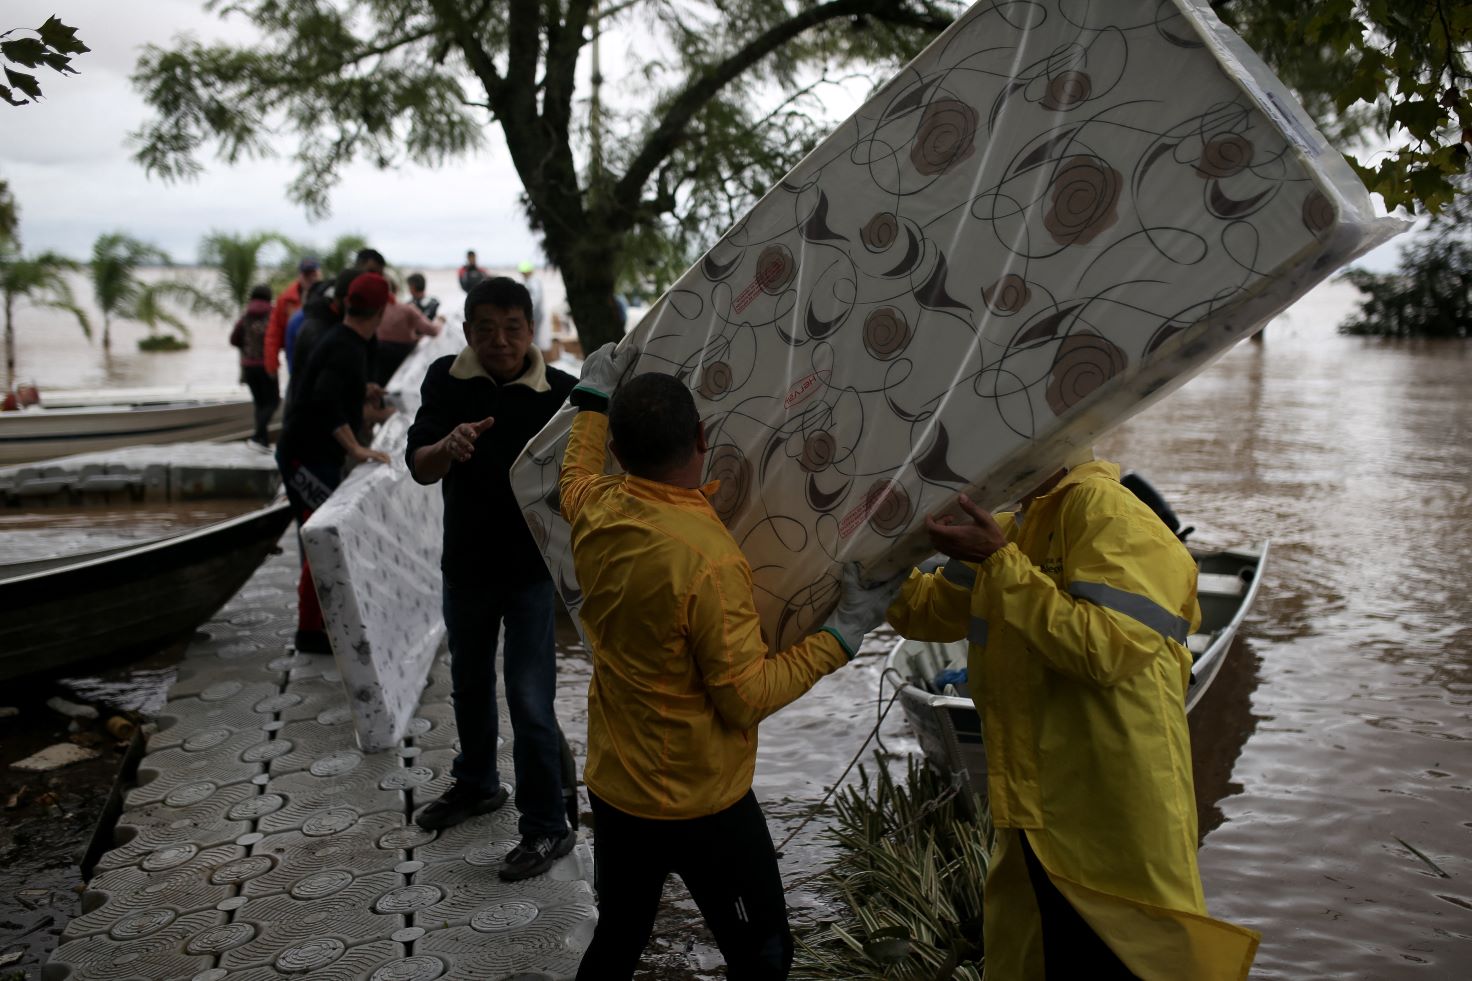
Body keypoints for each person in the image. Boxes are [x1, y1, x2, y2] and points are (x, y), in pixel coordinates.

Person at [559, 346, 904, 979]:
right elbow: (745, 697)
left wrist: (591, 398)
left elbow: (572, 475)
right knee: (763, 953)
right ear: (702, 437)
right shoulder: (709, 560)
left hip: (615, 788)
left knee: (620, 936)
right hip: (701, 803)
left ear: (622, 449)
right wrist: (845, 633)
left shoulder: (595, 511)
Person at [886, 454, 1261, 980]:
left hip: (1108, 812)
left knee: (1125, 958)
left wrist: (998, 562)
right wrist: (869, 567)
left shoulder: (1111, 513)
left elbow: (1105, 649)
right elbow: (932, 610)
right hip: (1037, 807)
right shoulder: (1017, 525)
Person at [404, 276, 577, 881]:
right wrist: (445, 448)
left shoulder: (562, 392)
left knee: (530, 699)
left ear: (531, 331)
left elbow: (586, 479)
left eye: (513, 328)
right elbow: (420, 467)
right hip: (467, 567)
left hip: (531, 574)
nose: (500, 341)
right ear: (467, 330)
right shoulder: (445, 382)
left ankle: (546, 825)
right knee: (469, 685)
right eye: (486, 328)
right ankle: (477, 784)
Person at [275, 272, 397, 655]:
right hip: (304, 456)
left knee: (324, 536)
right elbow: (324, 400)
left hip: (315, 454)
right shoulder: (345, 346)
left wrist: (361, 389)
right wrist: (356, 448)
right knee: (323, 538)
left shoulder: (349, 341)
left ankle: (323, 622)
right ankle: (310, 632)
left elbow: (330, 385)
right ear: (379, 311)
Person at [229, 283, 278, 451]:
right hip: (267, 365)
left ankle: (262, 440)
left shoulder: (245, 315)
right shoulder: (273, 314)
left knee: (259, 403)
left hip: (248, 367)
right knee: (273, 401)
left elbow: (233, 339)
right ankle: (258, 436)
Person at [373, 278, 444, 386]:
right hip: (403, 358)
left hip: (378, 358)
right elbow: (433, 331)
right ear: (396, 290)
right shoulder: (407, 309)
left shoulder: (373, 310)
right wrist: (440, 321)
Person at [264, 256, 320, 379]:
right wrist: (272, 365)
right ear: (300, 276)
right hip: (296, 363)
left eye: (313, 274)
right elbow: (274, 333)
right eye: (306, 275)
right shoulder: (285, 300)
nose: (311, 279)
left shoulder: (327, 297)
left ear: (319, 274)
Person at [517, 260, 548, 350]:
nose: (523, 274)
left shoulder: (533, 282)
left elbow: (535, 299)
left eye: (524, 272)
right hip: (533, 313)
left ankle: (533, 353)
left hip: (534, 314)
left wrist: (526, 310)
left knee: (533, 336)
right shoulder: (529, 282)